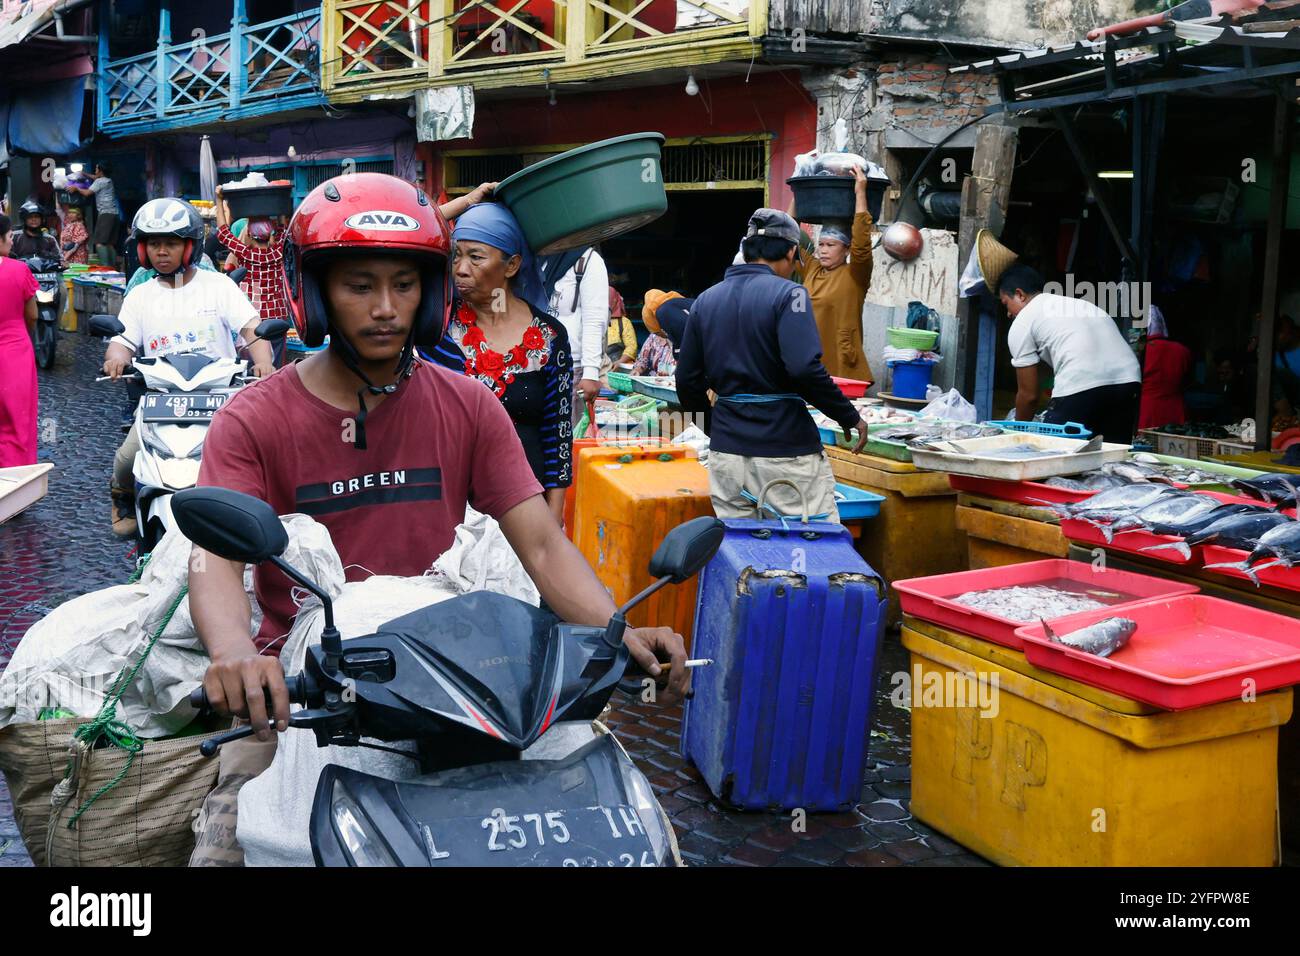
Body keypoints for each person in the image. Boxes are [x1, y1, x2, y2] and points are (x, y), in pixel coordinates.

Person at [185, 176, 687, 859]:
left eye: (404, 284)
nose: (385, 308)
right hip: (310, 696)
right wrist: (235, 656)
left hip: (467, 680)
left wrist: (612, 630)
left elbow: (540, 543)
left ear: (430, 295)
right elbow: (216, 556)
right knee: (232, 848)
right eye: (360, 285)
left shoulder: (469, 405)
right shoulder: (254, 418)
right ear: (316, 292)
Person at [676, 208, 871, 522]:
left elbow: (686, 382)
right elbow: (804, 369)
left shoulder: (705, 300)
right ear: (792, 251)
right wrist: (848, 415)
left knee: (744, 554)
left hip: (727, 456)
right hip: (785, 452)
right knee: (809, 551)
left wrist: (718, 427)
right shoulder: (791, 294)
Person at [102, 197, 272, 538]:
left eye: (171, 243)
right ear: (142, 249)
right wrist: (116, 357)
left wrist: (265, 364)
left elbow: (252, 328)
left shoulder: (219, 287)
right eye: (154, 244)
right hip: (161, 402)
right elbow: (123, 339)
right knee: (126, 457)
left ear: (190, 246)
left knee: (263, 455)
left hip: (221, 401)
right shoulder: (140, 296)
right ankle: (122, 496)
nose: (161, 251)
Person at [425, 202, 573, 526]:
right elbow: (403, 248)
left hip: (527, 509)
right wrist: (461, 205)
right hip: (452, 511)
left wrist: (551, 525)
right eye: (456, 255)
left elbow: (558, 435)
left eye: (476, 256)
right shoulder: (437, 332)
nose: (461, 269)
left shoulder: (550, 337)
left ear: (512, 265)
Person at [998, 264, 1142, 442]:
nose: (1008, 314)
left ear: (1020, 294)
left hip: (1083, 382)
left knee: (1055, 451)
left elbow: (1029, 396)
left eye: (1006, 304)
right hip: (1129, 381)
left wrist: (1018, 436)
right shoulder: (1080, 304)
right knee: (1111, 456)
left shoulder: (1023, 321)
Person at [790, 165, 875, 381]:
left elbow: (862, 244)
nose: (823, 250)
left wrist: (860, 192)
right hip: (808, 363)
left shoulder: (855, 275)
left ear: (846, 248)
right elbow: (787, 239)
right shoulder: (812, 269)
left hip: (842, 367)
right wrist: (796, 193)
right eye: (821, 244)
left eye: (831, 245)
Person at [216, 192, 290, 366]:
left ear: (249, 233)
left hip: (252, 318)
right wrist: (278, 204)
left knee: (253, 365)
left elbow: (222, 233)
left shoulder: (246, 254)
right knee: (277, 367)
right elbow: (282, 228)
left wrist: (219, 200)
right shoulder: (278, 251)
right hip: (278, 317)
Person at [542, 246, 609, 421]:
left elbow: (594, 320)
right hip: (533, 366)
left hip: (570, 368)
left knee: (563, 435)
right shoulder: (537, 256)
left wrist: (591, 373)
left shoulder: (588, 260)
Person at [0, 216, 39, 468]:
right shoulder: (18, 269)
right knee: (17, 421)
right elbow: (33, 315)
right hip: (15, 351)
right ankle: (15, 482)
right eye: (9, 235)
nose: (12, 239)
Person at [1138, 305, 1193, 430]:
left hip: (1147, 411)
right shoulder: (1182, 350)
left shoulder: (1141, 351)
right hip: (1176, 411)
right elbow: (1188, 381)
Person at [68, 162, 119, 267]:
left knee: (99, 243)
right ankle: (113, 267)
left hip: (105, 214)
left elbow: (87, 193)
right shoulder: (108, 180)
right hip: (114, 214)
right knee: (109, 243)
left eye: (96, 169)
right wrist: (84, 173)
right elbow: (95, 177)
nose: (95, 172)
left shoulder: (100, 181)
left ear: (100, 171)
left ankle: (106, 267)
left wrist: (76, 188)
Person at [633, 289, 682, 377]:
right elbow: (643, 360)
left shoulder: (684, 336)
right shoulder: (653, 337)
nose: (662, 335)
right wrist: (638, 369)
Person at [1273, 314, 1300, 420]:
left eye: (1280, 331)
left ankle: (1286, 417)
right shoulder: (1273, 353)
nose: (1277, 337)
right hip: (1287, 400)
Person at [607, 285, 637, 365]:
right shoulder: (592, 321)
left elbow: (632, 347)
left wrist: (619, 362)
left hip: (618, 366)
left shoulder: (624, 322)